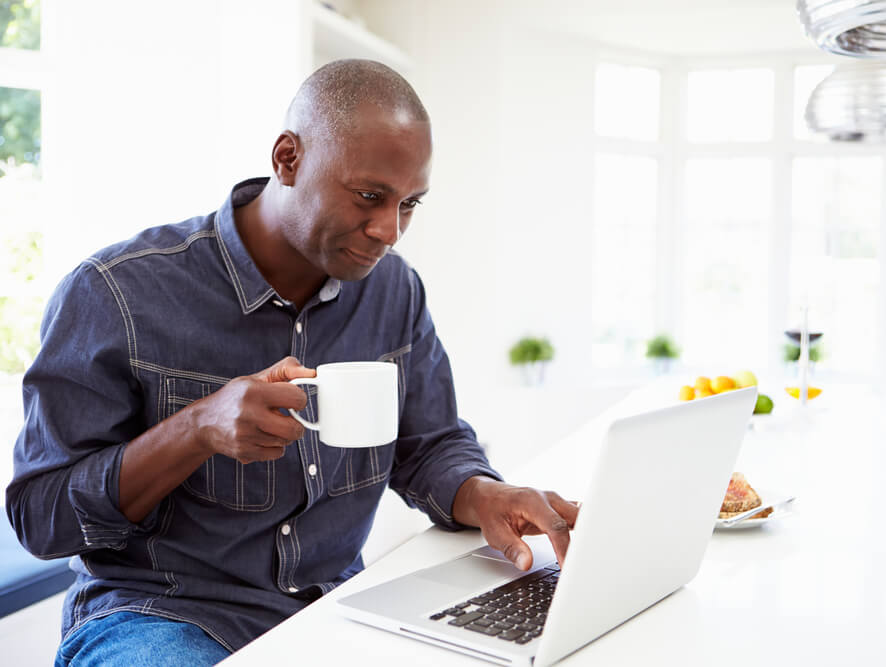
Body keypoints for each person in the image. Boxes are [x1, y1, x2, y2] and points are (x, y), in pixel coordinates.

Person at [6, 59, 578, 665]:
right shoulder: (115, 292)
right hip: (161, 619)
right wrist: (197, 429)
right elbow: (41, 517)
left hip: (335, 611)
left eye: (409, 204)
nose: (389, 230)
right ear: (288, 159)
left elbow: (429, 444)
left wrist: (484, 492)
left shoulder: (394, 292)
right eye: (369, 196)